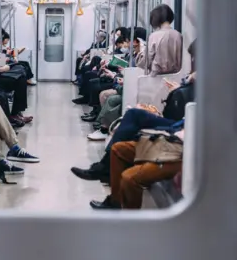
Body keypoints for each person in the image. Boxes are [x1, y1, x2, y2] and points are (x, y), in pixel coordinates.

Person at [71, 39, 196, 185]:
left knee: (130, 114)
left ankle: (103, 166)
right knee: (133, 113)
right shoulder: (193, 79)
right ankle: (104, 166)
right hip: (182, 123)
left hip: (184, 127)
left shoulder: (209, 81)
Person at [136, 4, 182, 76]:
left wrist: (141, 52)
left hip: (156, 78)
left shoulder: (154, 36)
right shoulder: (178, 35)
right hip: (176, 78)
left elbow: (145, 62)